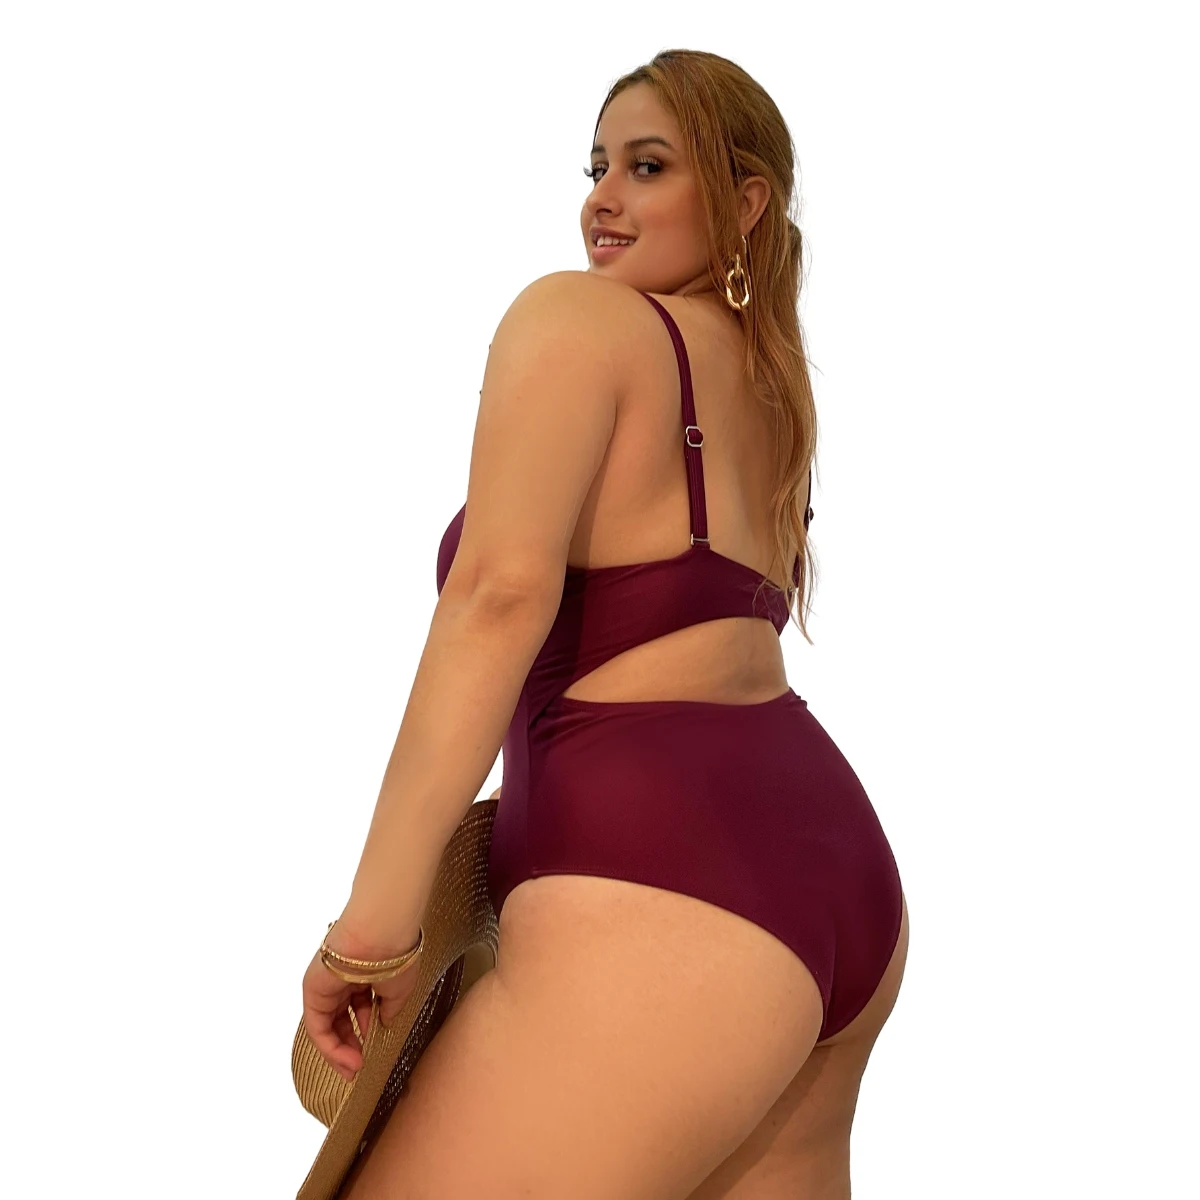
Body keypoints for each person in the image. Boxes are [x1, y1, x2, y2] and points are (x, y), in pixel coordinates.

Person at [301, 48, 909, 1199]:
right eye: (596, 169)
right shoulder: (771, 391)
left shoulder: (577, 322)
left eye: (648, 166)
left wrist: (370, 934)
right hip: (836, 880)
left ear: (745, 202)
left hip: (663, 888)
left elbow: (496, 601)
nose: (604, 200)